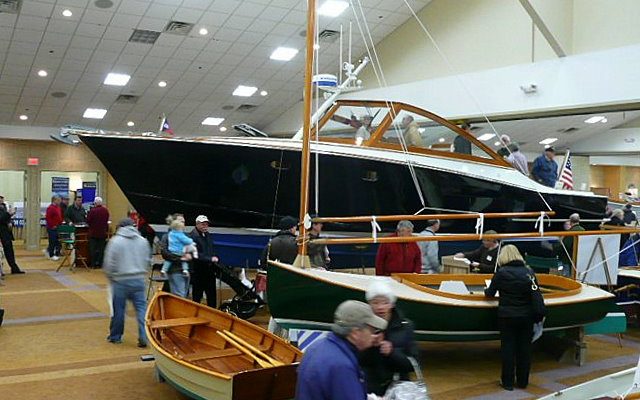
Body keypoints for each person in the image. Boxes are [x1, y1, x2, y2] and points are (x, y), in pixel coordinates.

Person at [295, 300, 387, 400]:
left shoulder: (317, 346)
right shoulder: (342, 366)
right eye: (372, 330)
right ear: (355, 333)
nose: (374, 335)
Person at [484, 245, 536, 391]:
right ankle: (523, 382)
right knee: (524, 350)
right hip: (526, 316)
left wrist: (486, 290)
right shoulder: (529, 273)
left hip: (507, 316)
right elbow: (535, 292)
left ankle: (507, 383)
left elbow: (490, 293)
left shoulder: (501, 273)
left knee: (508, 349)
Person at [360, 281, 418, 396]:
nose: (380, 307)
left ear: (392, 304)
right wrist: (368, 345)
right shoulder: (362, 326)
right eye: (375, 303)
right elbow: (355, 361)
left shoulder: (405, 326)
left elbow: (413, 365)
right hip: (370, 390)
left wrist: (391, 352)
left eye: (385, 303)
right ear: (369, 304)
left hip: (398, 390)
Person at [103, 218, 151, 347]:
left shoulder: (115, 241)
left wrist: (111, 276)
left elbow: (109, 263)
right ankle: (144, 336)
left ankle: (115, 336)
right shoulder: (143, 241)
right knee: (141, 310)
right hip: (139, 280)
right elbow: (147, 260)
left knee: (119, 310)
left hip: (120, 280)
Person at [161, 219, 197, 297]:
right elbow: (165, 253)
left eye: (184, 222)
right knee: (179, 296)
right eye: (181, 221)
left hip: (186, 270)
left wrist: (190, 255)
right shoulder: (167, 236)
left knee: (183, 294)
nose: (183, 224)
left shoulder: (185, 235)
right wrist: (181, 258)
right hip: (175, 270)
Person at [189, 215, 219, 307]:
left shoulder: (207, 235)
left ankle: (213, 312)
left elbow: (211, 248)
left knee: (211, 294)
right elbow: (195, 254)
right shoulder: (192, 237)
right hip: (198, 270)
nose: (205, 226)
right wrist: (210, 258)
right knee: (197, 295)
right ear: (197, 224)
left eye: (206, 224)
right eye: (203, 224)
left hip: (209, 270)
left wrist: (214, 256)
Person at [0, 201, 24, 274]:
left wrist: (10, 222)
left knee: (9, 251)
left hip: (5, 233)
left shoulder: (3, 207)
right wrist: (8, 214)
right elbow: (1, 219)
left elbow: (6, 218)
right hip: (1, 232)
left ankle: (14, 268)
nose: (2, 200)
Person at [86, 197, 109, 268]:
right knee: (101, 249)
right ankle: (100, 264)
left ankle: (93, 264)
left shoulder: (92, 211)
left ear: (95, 203)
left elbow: (88, 221)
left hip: (93, 233)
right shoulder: (105, 211)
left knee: (93, 249)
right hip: (102, 233)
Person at [45, 195, 63, 261]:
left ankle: (56, 253)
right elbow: (48, 218)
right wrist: (52, 225)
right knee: (52, 241)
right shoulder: (50, 208)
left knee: (58, 241)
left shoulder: (58, 207)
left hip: (58, 227)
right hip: (52, 228)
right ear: (54, 200)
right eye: (58, 200)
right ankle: (51, 255)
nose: (60, 201)